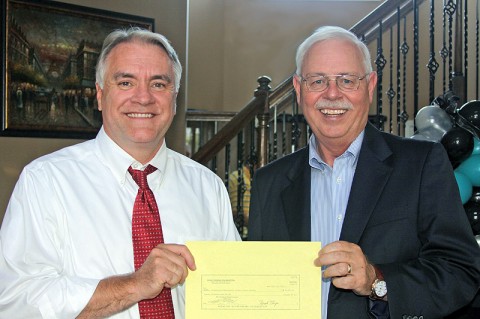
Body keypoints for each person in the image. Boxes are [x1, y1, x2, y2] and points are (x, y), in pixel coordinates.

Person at [0, 27, 240, 318]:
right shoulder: (46, 182)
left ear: (174, 99)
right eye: (126, 82)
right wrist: (135, 285)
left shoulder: (208, 187)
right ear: (100, 95)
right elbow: (16, 302)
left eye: (159, 84)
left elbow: (234, 294)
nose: (143, 98)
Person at [248, 25, 480, 318]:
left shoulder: (421, 164)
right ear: (298, 89)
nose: (332, 94)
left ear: (370, 86)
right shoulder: (269, 182)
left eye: (347, 80)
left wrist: (377, 280)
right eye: (317, 81)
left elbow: (460, 272)